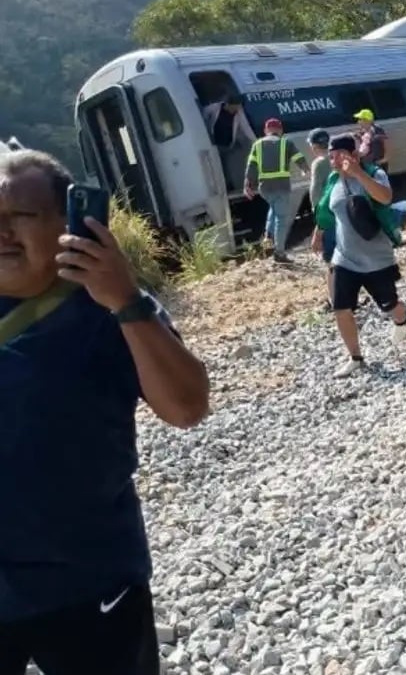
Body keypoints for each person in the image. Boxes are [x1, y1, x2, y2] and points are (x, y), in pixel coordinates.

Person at [0, 148, 209, 674]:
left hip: (87, 583)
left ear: (71, 221)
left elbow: (187, 408)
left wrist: (124, 300)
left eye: (19, 216)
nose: (2, 232)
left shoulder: (107, 305)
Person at [313, 135, 406, 376]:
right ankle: (355, 357)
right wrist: (319, 232)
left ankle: (401, 321)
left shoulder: (373, 173)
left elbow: (385, 198)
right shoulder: (333, 180)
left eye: (338, 155)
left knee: (390, 306)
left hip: (376, 258)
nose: (333, 160)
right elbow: (327, 209)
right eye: (331, 155)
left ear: (353, 155)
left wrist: (358, 174)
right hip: (344, 257)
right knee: (340, 307)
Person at [244, 118, 309, 262]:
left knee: (273, 209)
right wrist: (306, 170)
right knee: (281, 219)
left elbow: (251, 167)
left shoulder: (257, 145)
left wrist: (249, 186)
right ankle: (279, 252)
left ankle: (268, 235)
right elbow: (299, 158)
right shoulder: (286, 143)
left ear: (266, 131)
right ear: (280, 130)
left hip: (265, 188)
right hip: (282, 186)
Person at [307, 128, 337, 309]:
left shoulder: (319, 163)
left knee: (332, 260)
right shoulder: (338, 158)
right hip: (344, 214)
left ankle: (335, 300)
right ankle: (352, 296)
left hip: (328, 217)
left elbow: (316, 195)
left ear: (313, 145)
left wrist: (318, 226)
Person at [201, 94, 256, 191]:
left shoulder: (238, 113)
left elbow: (246, 127)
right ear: (228, 104)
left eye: (238, 107)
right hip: (214, 145)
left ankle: (228, 186)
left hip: (227, 145)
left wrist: (256, 141)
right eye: (235, 107)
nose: (236, 110)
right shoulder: (215, 108)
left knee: (227, 167)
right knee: (215, 167)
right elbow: (203, 115)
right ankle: (219, 188)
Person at [353, 109, 390, 173]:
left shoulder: (377, 130)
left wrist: (384, 159)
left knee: (380, 182)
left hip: (378, 164)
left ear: (366, 120)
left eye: (360, 120)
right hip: (367, 165)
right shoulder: (362, 132)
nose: (358, 122)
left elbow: (386, 144)